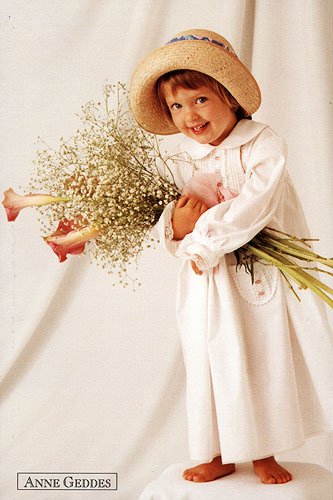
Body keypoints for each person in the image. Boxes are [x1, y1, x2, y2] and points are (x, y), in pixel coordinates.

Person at [130, 29, 333, 485]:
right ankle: (218, 449)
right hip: (209, 278)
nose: (189, 115)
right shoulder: (182, 157)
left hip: (259, 275)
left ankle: (263, 450)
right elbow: (176, 211)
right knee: (210, 357)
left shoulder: (262, 144)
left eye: (200, 99)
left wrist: (202, 239)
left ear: (230, 96)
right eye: (176, 107)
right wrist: (176, 229)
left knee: (260, 354)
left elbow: (254, 205)